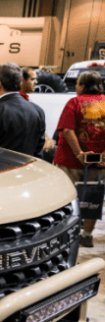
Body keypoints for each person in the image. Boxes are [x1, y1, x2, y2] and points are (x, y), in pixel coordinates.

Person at [52, 71, 105, 247]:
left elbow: (67, 130)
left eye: (77, 84)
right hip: (100, 163)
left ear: (82, 86)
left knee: (65, 198)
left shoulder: (74, 102)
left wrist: (78, 153)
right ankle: (87, 235)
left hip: (71, 161)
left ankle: (65, 234)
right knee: (93, 197)